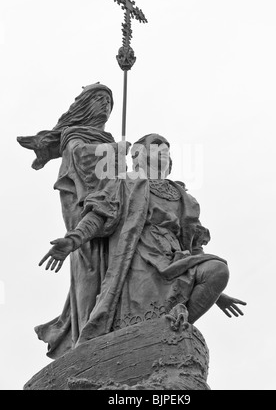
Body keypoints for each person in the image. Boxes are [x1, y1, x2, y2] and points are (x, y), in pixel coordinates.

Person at [39, 133, 246, 358]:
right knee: (133, 320)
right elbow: (99, 216)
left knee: (218, 270)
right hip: (138, 259)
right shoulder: (124, 183)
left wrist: (214, 292)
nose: (164, 150)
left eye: (168, 148)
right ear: (139, 153)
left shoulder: (185, 198)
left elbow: (195, 246)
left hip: (175, 260)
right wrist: (72, 240)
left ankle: (172, 328)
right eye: (157, 145)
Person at [17, 83, 127, 358]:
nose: (106, 106)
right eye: (100, 99)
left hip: (107, 208)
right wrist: (115, 152)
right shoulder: (75, 136)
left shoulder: (105, 139)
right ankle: (86, 337)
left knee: (113, 265)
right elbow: (81, 158)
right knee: (89, 266)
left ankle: (108, 327)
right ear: (85, 106)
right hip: (83, 208)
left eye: (110, 103)